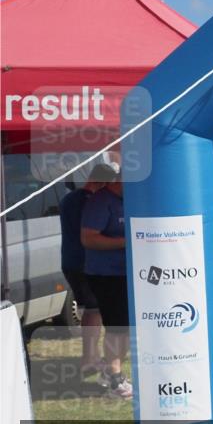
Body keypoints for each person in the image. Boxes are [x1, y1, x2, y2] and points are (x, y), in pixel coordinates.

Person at [80, 163, 132, 398]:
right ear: (120, 180)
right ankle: (114, 379)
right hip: (106, 275)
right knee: (117, 328)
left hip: (125, 273)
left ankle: (114, 373)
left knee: (127, 328)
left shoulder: (124, 200)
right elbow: (89, 239)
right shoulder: (100, 202)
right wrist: (126, 242)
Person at [59, 163, 117, 378]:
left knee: (91, 309)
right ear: (102, 182)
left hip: (70, 262)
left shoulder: (68, 199)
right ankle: (89, 359)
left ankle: (90, 357)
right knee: (94, 310)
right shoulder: (91, 202)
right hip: (87, 263)